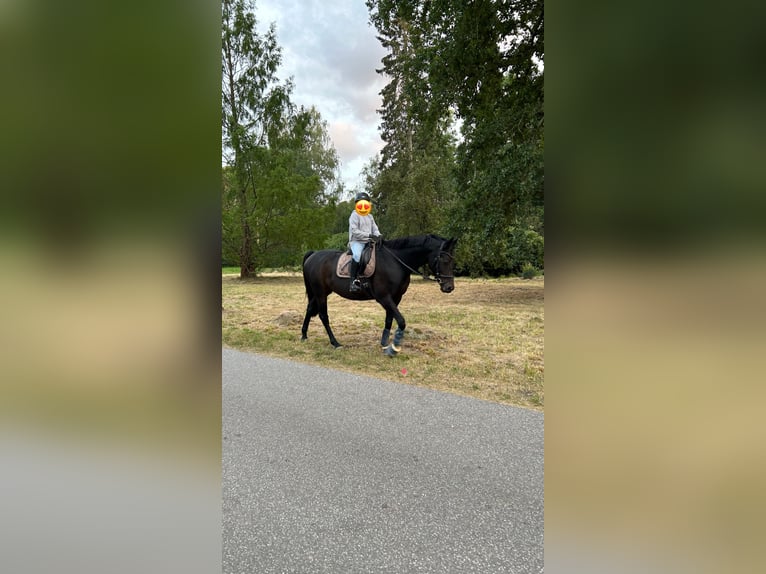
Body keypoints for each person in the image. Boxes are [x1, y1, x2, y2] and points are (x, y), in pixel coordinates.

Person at [348, 191, 381, 292]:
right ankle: (353, 282)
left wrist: (379, 235)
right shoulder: (354, 215)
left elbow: (375, 228)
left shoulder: (370, 217)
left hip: (369, 242)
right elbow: (355, 231)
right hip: (357, 241)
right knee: (357, 256)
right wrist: (369, 235)